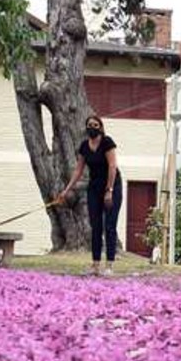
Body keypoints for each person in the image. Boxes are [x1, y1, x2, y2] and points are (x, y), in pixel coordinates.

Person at [57, 115, 121, 274]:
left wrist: (109, 191)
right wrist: (66, 190)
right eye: (89, 125)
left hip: (112, 187)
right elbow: (78, 170)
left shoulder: (107, 142)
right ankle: (95, 264)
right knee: (96, 227)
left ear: (100, 127)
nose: (92, 127)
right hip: (94, 189)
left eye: (95, 124)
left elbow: (112, 166)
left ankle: (110, 265)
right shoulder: (84, 146)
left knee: (110, 226)